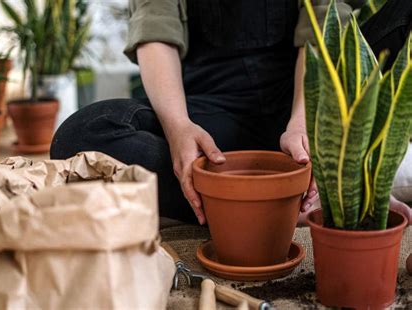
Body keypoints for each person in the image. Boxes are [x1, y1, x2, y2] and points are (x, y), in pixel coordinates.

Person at [50, 0, 412, 225]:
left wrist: (304, 123)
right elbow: (155, 27)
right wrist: (178, 129)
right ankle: (288, 201)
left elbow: (324, 24)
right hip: (209, 117)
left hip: (306, 98)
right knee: (81, 136)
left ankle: (269, 196)